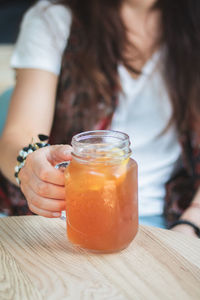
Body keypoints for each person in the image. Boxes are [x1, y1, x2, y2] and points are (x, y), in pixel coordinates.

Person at [0, 0, 200, 237]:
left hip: (169, 220)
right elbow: (19, 133)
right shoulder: (54, 17)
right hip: (61, 217)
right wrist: (29, 166)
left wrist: (190, 223)